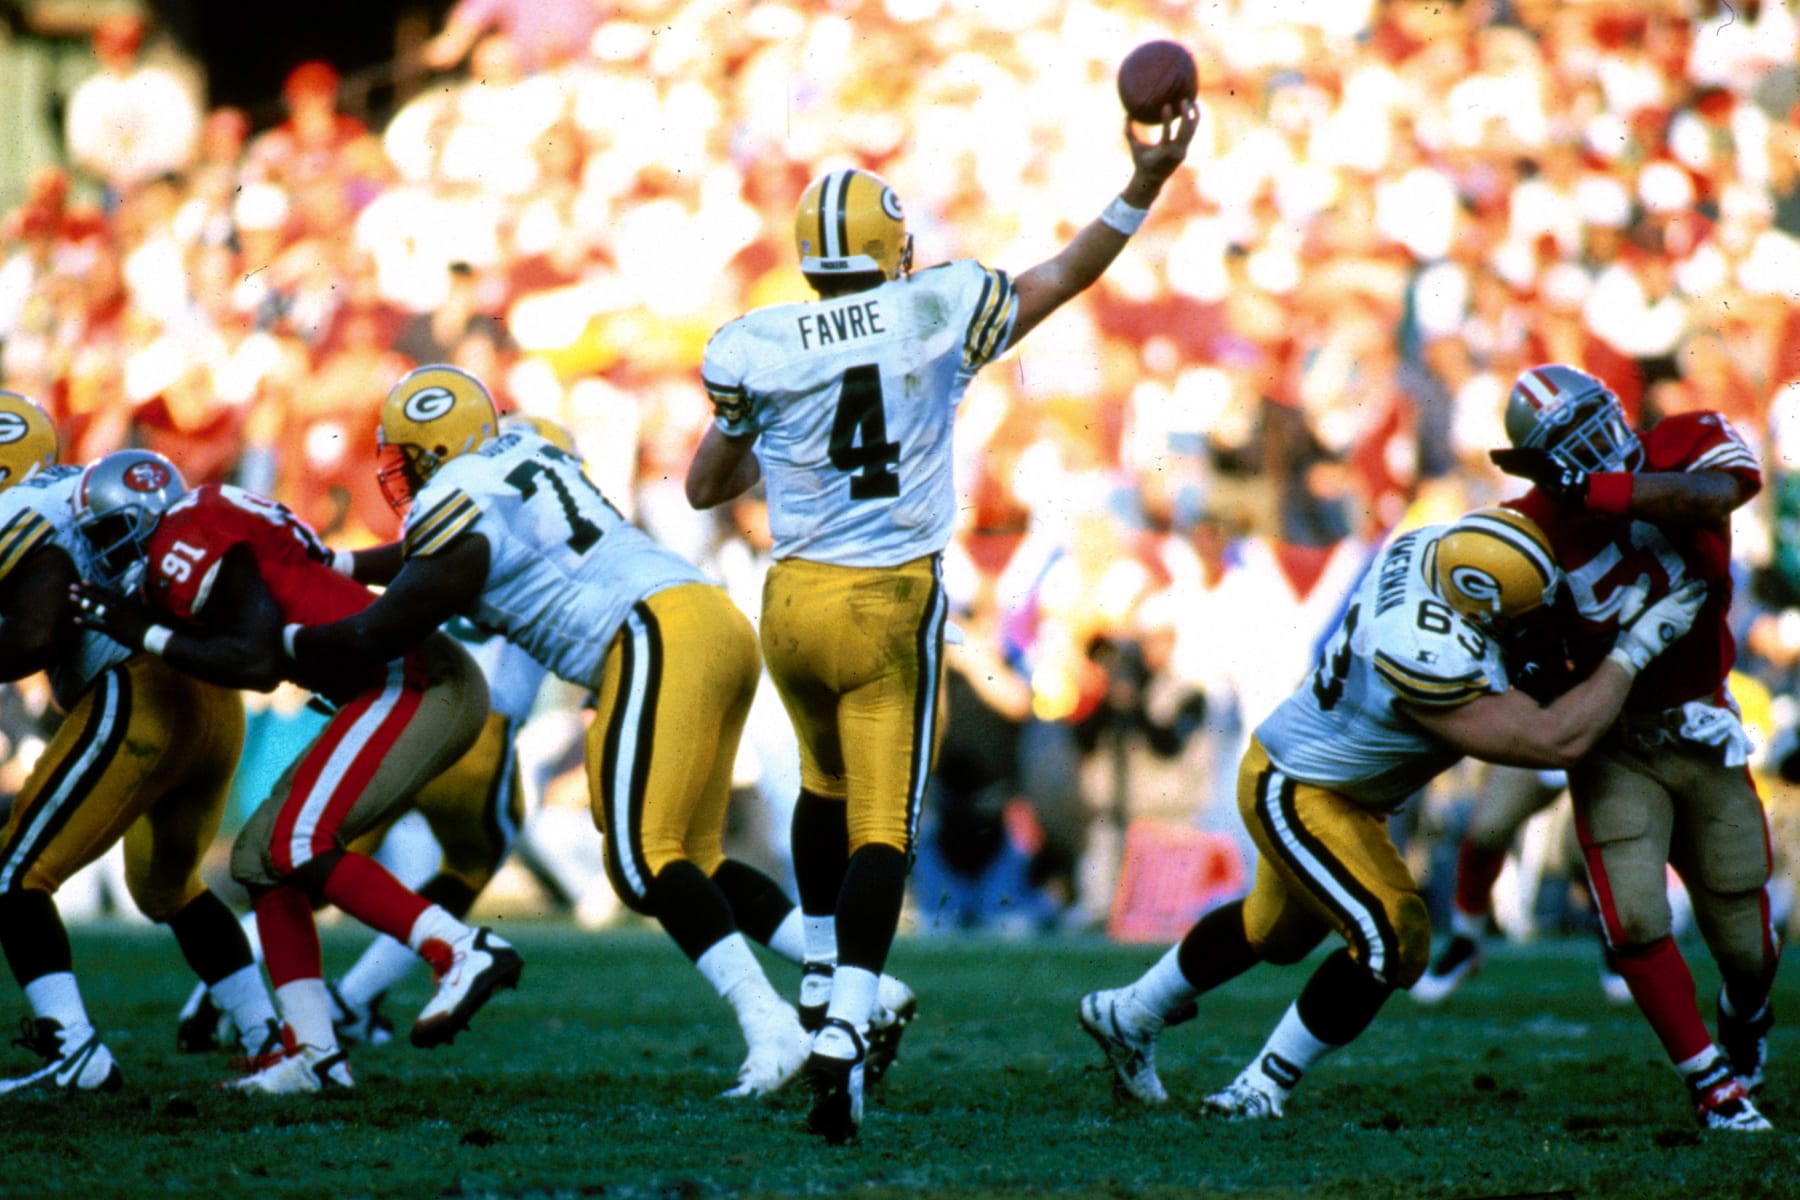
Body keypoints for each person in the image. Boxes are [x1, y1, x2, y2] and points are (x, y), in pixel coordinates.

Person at [684, 101, 1199, 1141]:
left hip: (791, 603)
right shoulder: (933, 307)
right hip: (886, 601)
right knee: (885, 828)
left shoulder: (758, 342)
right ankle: (843, 1031)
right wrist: (1142, 186)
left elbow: (706, 485)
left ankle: (826, 984)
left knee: (824, 794)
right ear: (889, 248)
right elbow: (1064, 276)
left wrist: (776, 433)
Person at [281, 365, 840, 1099]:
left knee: (642, 864)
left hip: (649, 632)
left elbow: (388, 623)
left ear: (433, 450)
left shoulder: (454, 496)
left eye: (409, 456)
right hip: (706, 624)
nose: (404, 474)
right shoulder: (522, 460)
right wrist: (341, 561)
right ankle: (852, 991)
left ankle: (771, 1026)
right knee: (686, 859)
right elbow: (427, 560)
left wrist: (284, 640)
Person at [1079, 506, 1711, 1123]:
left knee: (1275, 931)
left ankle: (1128, 1013)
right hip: (1301, 788)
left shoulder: (1434, 548)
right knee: (1392, 937)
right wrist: (1634, 650)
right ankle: (1259, 1088)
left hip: (1329, 779)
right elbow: (1553, 740)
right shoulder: (1423, 650)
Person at [67, 449, 521, 1094]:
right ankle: (314, 1055)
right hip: (387, 681)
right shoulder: (207, 514)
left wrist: (141, 630)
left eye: (110, 534)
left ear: (144, 518)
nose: (105, 553)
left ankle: (460, 948)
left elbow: (253, 661)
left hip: (412, 679)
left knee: (296, 842)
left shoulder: (185, 537)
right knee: (259, 860)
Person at [1486, 362, 1780, 1129]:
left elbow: (1716, 495)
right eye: (1570, 444)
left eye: (1597, 423)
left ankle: (1743, 1018)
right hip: (1614, 740)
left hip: (1701, 723)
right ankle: (1714, 1088)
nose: (1596, 445)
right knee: (1636, 922)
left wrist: (1586, 490)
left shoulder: (1683, 441)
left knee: (1748, 948)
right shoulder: (1528, 528)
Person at [0, 393, 278, 1095]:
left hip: (138, 696)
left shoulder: (18, 515)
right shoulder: (79, 488)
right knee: (168, 888)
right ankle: (269, 1037)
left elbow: (38, 633)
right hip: (212, 701)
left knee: (13, 877)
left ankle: (75, 1052)